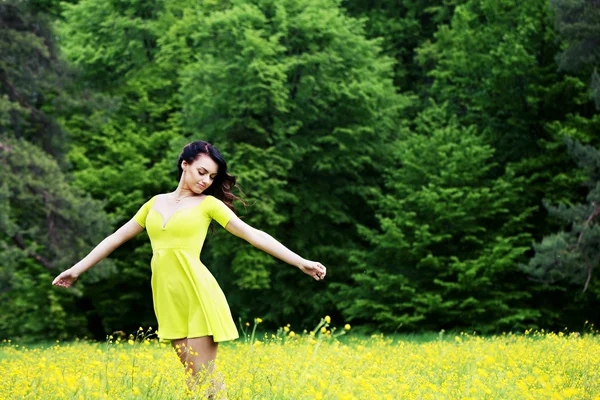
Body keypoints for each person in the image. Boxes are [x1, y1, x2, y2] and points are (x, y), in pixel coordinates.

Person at [52, 140, 327, 398]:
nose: (205, 181)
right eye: (202, 172)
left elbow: (252, 234)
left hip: (198, 294)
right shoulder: (154, 203)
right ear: (185, 163)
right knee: (194, 378)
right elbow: (115, 238)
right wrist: (76, 269)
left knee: (202, 376)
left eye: (211, 177)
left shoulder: (209, 204)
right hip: (168, 297)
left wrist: (300, 261)